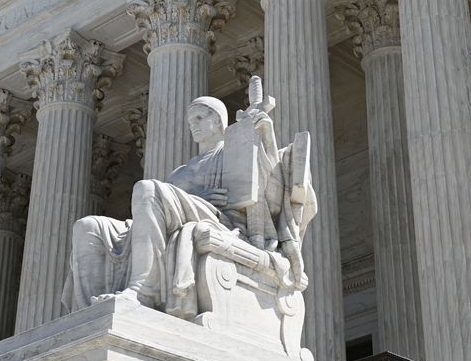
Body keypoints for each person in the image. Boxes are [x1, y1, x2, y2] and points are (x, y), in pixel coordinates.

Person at [63, 89, 315, 319]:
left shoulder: (232, 152)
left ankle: (143, 289)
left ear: (219, 121)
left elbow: (268, 189)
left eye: (200, 118)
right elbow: (156, 215)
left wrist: (266, 138)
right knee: (88, 226)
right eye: (190, 120)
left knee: (147, 188)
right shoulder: (179, 173)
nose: (193, 125)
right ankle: (91, 312)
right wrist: (200, 197)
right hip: (182, 216)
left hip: (220, 219)